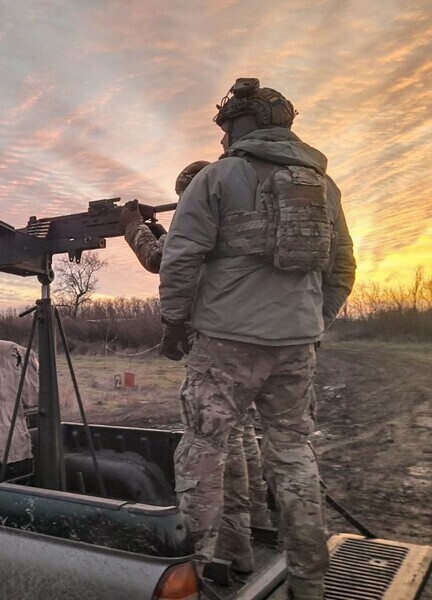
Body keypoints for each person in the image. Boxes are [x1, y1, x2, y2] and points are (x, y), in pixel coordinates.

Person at [158, 78, 356, 600]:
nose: (222, 138)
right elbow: (343, 269)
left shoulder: (218, 177)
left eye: (227, 126)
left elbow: (180, 258)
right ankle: (310, 582)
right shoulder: (324, 187)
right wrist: (313, 324)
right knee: (293, 454)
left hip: (225, 342)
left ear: (245, 123)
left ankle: (196, 576)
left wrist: (175, 323)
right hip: (296, 344)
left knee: (204, 449)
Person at [119, 161, 272, 578]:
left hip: (218, 346)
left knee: (206, 451)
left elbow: (161, 259)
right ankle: (247, 543)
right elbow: (184, 248)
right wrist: (155, 226)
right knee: (238, 443)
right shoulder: (236, 213)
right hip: (253, 342)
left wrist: (133, 225)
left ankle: (205, 564)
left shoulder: (205, 211)